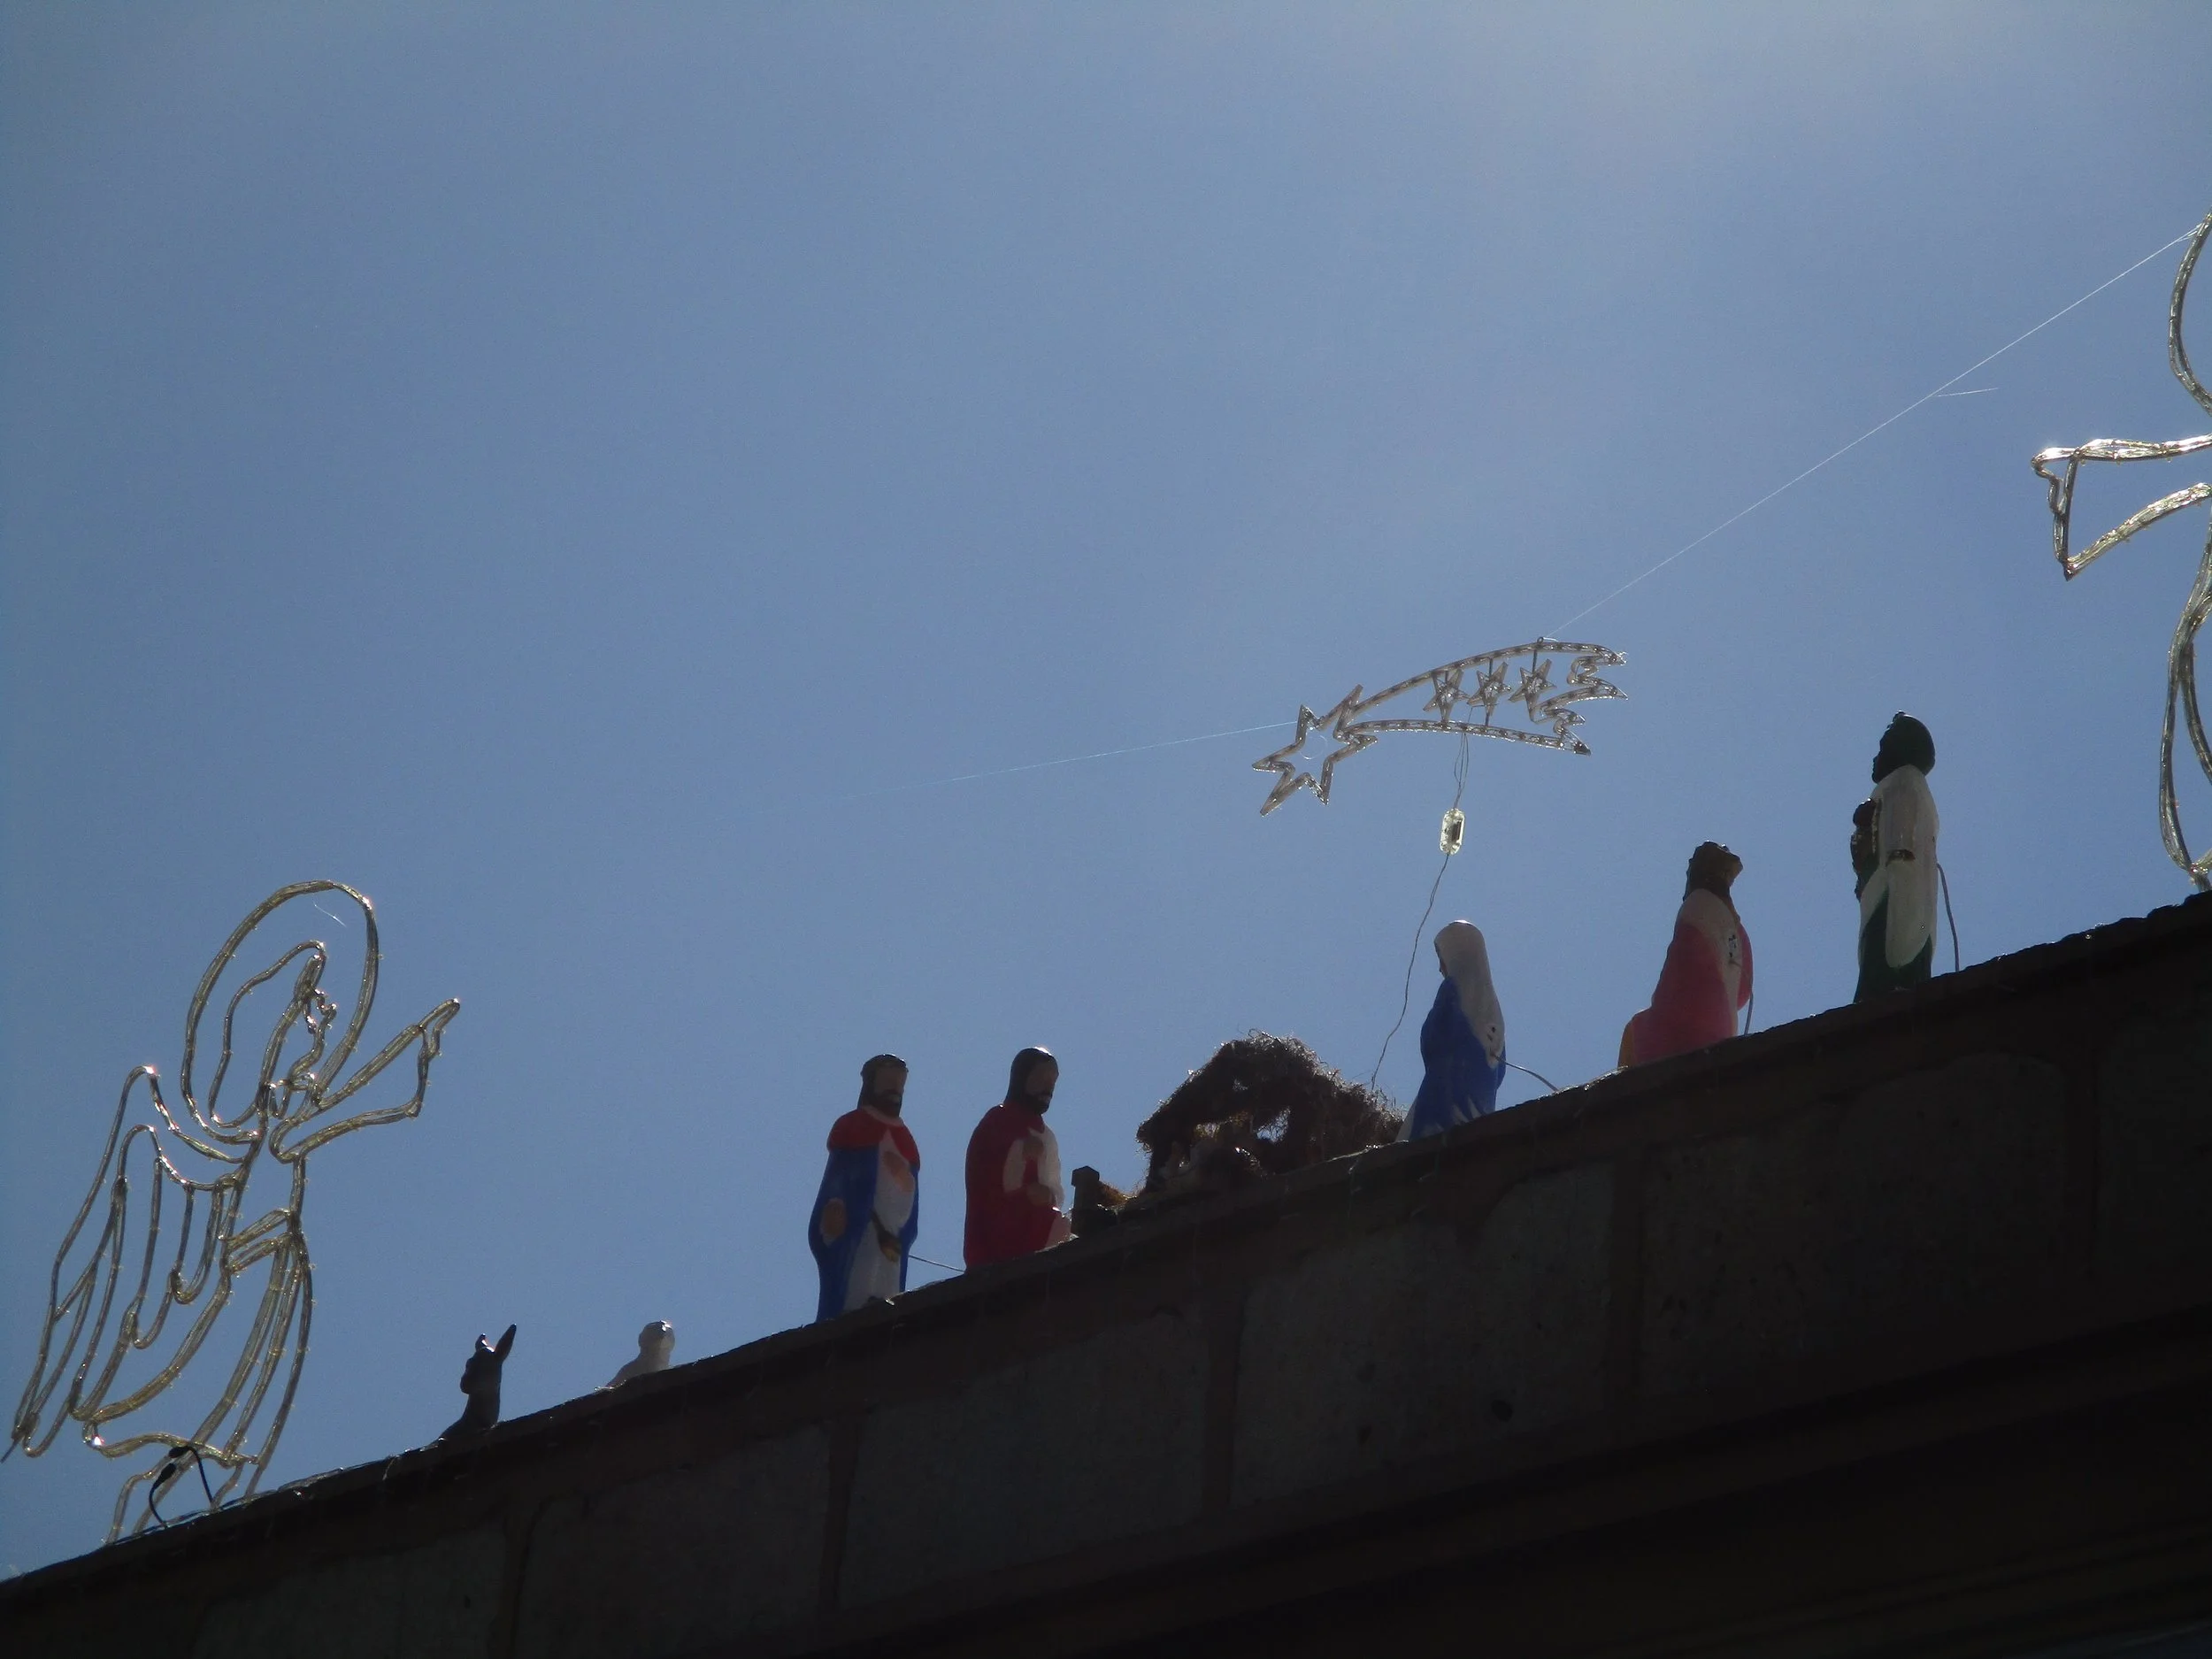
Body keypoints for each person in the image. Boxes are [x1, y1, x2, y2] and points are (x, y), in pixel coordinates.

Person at [1619, 842, 1752, 1068]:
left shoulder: (1700, 908)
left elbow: (1682, 980)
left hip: (1677, 1042)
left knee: (1635, 1031)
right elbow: (1743, 991)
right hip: (1711, 1036)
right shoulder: (1729, 925)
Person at [809, 1054, 920, 1322]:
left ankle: (884, 1309)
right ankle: (852, 1310)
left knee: (887, 1274)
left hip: (893, 1229)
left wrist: (903, 1179)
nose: (895, 1091)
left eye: (899, 1085)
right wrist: (835, 1206)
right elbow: (839, 1176)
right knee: (861, 1266)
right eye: (888, 1083)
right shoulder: (853, 1126)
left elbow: (910, 1190)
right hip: (861, 1222)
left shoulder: (905, 1140)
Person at [1854, 712, 1939, 1002]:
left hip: (1894, 900)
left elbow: (1900, 854)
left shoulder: (1903, 785)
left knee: (1883, 981)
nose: (1875, 758)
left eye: (1882, 749)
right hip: (1884, 895)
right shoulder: (1897, 789)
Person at [964, 1047, 1071, 1268]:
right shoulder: (997, 1120)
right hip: (1002, 1217)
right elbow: (981, 1172)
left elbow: (1054, 1182)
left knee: (1062, 1227)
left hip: (1037, 1219)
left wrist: (1049, 1195)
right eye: (1042, 1077)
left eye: (1053, 1081)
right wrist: (1019, 1151)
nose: (1048, 1087)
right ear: (1022, 1078)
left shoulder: (1047, 1136)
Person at [1402, 920, 1506, 1141]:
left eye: (1440, 957)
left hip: (1444, 1086)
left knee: (1421, 1141)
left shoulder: (1452, 990)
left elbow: (1436, 1037)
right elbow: (1499, 1070)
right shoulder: (1494, 1012)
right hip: (1480, 1098)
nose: (1440, 967)